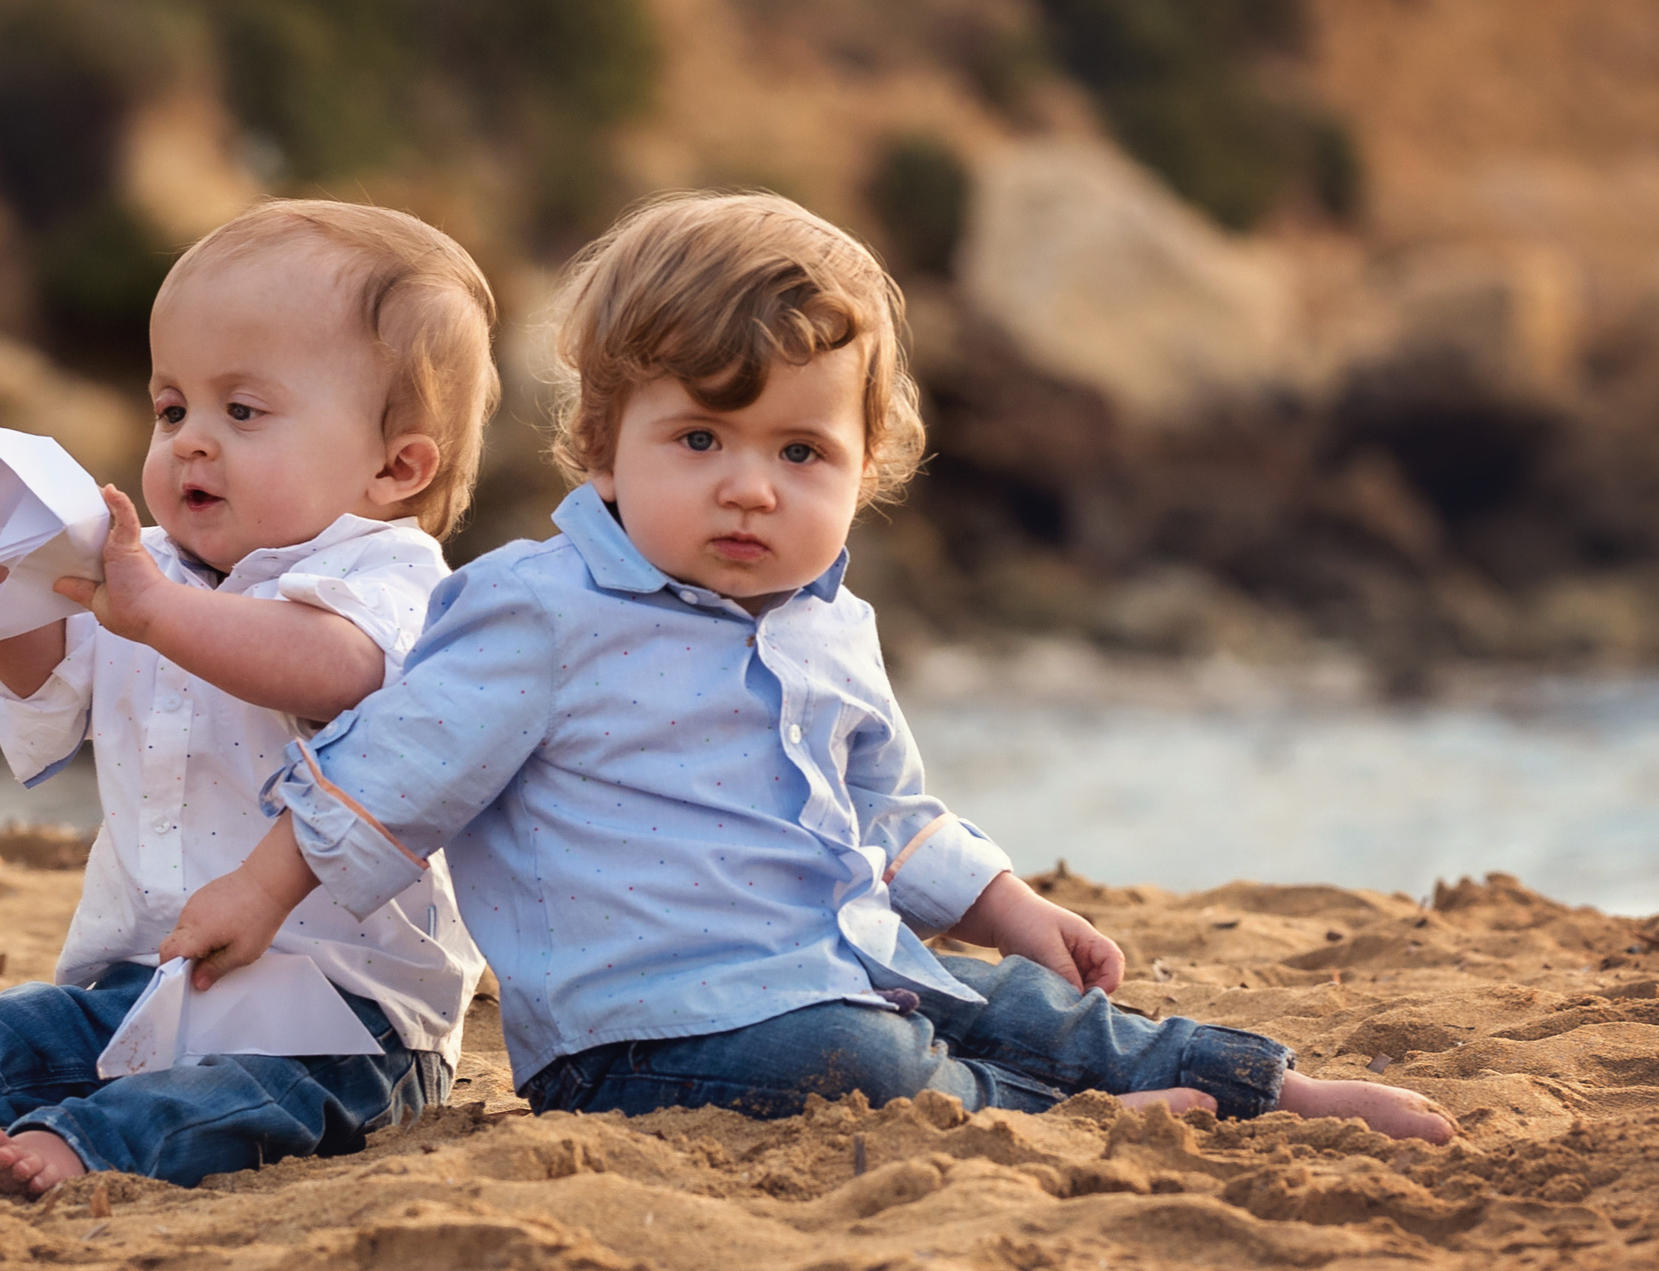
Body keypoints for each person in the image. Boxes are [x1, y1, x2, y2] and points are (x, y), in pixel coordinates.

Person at [160, 192, 1454, 1143]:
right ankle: (1053, 1127)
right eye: (701, 437)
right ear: (605, 448)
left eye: (800, 453)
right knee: (866, 1055)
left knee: (1011, 1003)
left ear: (865, 462)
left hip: (844, 963)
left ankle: (1265, 1086)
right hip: (645, 1042)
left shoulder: (829, 629)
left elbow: (888, 815)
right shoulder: (538, 609)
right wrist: (263, 888)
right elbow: (397, 770)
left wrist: (1008, 905)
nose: (748, 487)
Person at [0, 199, 501, 1192]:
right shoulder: (147, 569)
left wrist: (156, 612)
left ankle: (93, 1148)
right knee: (3, 1030)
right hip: (150, 980)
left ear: (396, 465)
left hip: (344, 1015)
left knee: (241, 1096)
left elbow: (335, 665)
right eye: (172, 409)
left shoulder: (396, 579)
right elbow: (50, 687)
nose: (190, 442)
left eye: (241, 412)